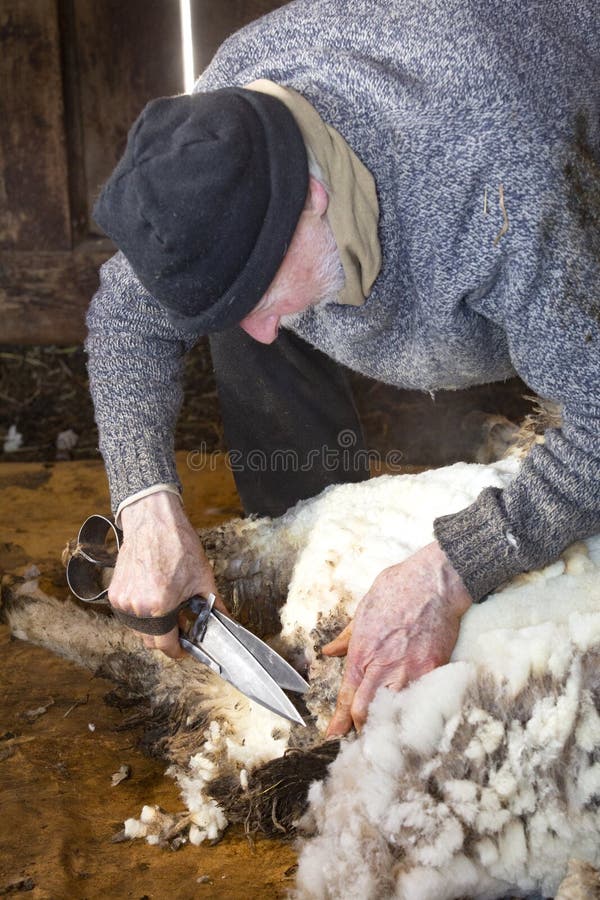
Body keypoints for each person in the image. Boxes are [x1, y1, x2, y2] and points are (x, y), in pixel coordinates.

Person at [87, 0, 600, 738]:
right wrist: (145, 503)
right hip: (415, 197)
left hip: (529, 158)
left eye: (264, 294)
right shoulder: (214, 149)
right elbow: (126, 314)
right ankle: (321, 600)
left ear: (314, 199)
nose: (260, 330)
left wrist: (452, 570)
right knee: (249, 316)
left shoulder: (508, 180)